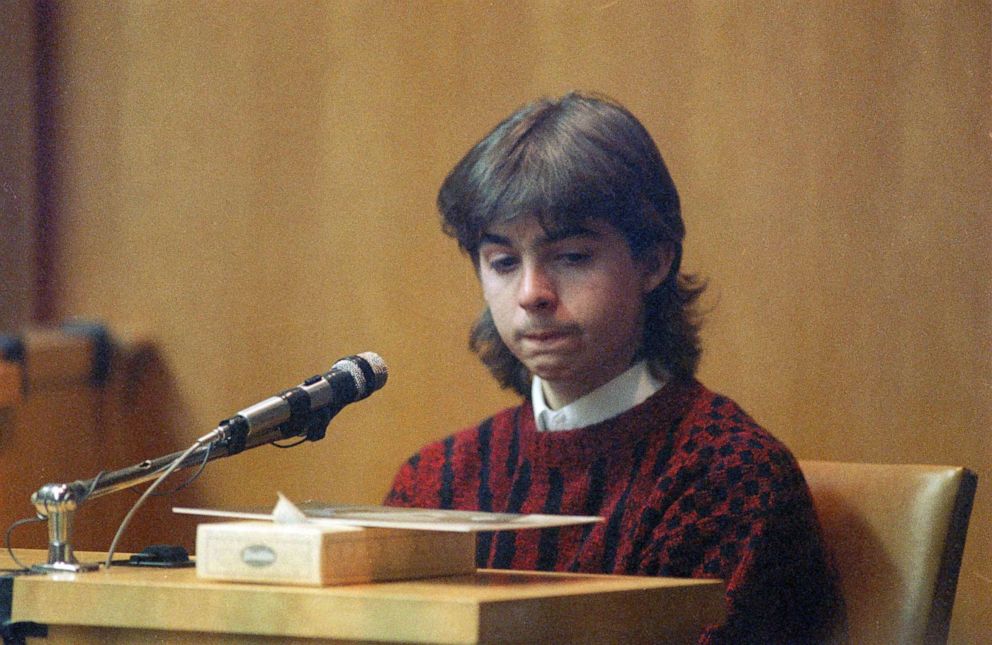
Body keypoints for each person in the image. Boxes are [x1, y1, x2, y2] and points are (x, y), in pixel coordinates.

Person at [385, 92, 845, 644]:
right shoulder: (435, 481)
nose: (531, 293)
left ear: (653, 262)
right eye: (504, 263)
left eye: (572, 257)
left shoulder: (730, 476)